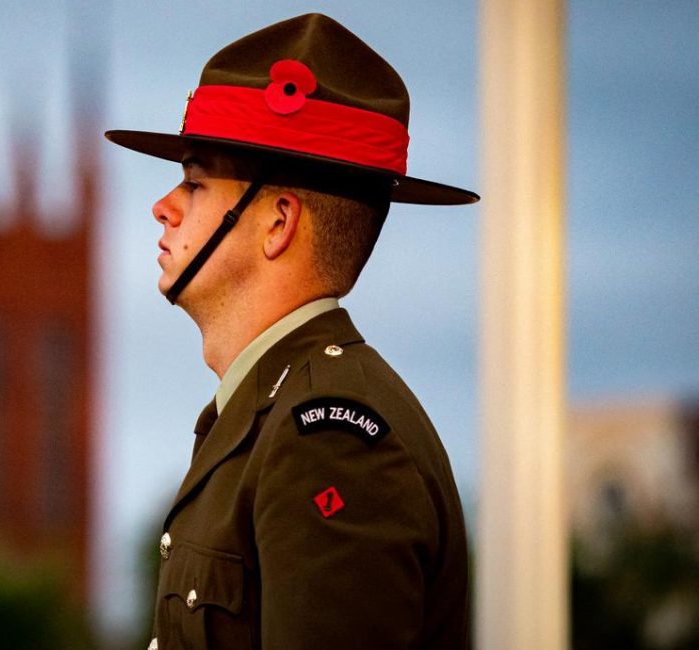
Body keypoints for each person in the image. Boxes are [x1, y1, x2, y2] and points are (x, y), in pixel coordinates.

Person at [105, 13, 477, 650]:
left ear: (278, 223)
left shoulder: (328, 437)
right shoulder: (274, 411)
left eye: (195, 183)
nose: (163, 205)